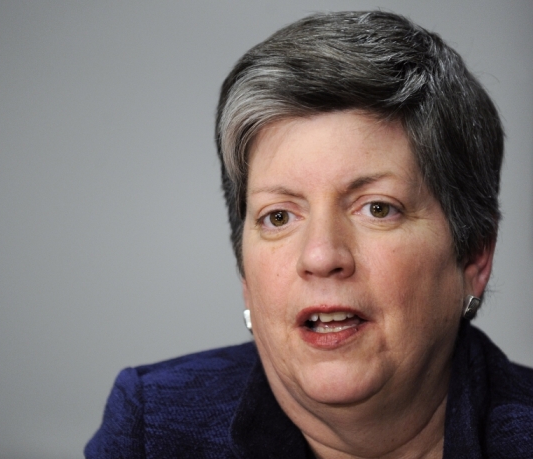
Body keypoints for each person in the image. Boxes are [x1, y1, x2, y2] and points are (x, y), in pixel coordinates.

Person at [85, 11, 533, 458]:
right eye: (279, 217)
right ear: (245, 274)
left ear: (474, 255)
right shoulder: (154, 429)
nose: (320, 256)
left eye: (378, 209)